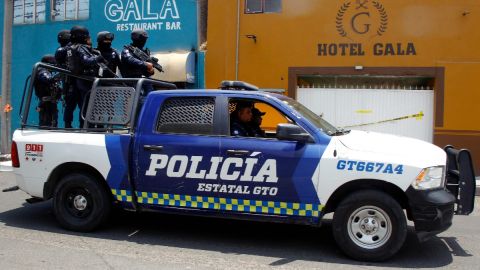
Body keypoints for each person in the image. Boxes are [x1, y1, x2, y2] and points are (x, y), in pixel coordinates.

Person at [66, 25, 106, 128]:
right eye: (86, 36)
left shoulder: (71, 47)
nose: (88, 38)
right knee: (89, 106)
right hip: (86, 80)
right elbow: (86, 61)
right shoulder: (80, 47)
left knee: (85, 105)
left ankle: (85, 126)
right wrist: (98, 58)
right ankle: (88, 127)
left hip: (81, 80)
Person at [120, 29, 155, 94]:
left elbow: (147, 72)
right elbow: (130, 59)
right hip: (131, 81)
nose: (144, 41)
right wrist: (145, 64)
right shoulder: (127, 50)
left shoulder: (145, 53)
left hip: (144, 81)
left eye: (145, 39)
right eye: (142, 39)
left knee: (151, 97)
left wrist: (151, 71)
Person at [35, 55, 61, 127]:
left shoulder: (45, 71)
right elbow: (48, 79)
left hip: (50, 103)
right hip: (46, 105)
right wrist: (61, 74)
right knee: (47, 126)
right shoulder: (42, 70)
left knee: (53, 125)